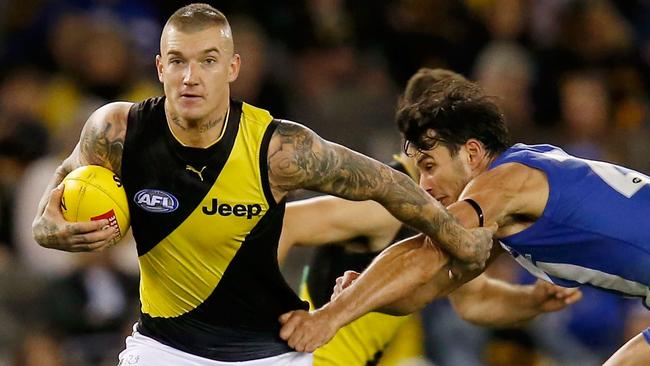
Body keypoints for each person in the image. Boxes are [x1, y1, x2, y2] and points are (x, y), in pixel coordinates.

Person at [30, 4, 494, 366]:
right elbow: (62, 183)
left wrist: (457, 238)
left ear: (232, 68)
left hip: (266, 354)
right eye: (178, 61)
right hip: (162, 348)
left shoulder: (279, 150)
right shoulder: (117, 129)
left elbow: (387, 184)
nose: (191, 77)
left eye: (207, 61)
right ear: (159, 67)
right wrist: (48, 229)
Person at [278, 76, 650, 365]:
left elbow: (427, 251)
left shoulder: (506, 182)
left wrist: (328, 317)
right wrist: (365, 295)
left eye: (429, 166)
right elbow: (428, 289)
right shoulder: (501, 215)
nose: (423, 186)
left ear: (472, 153)